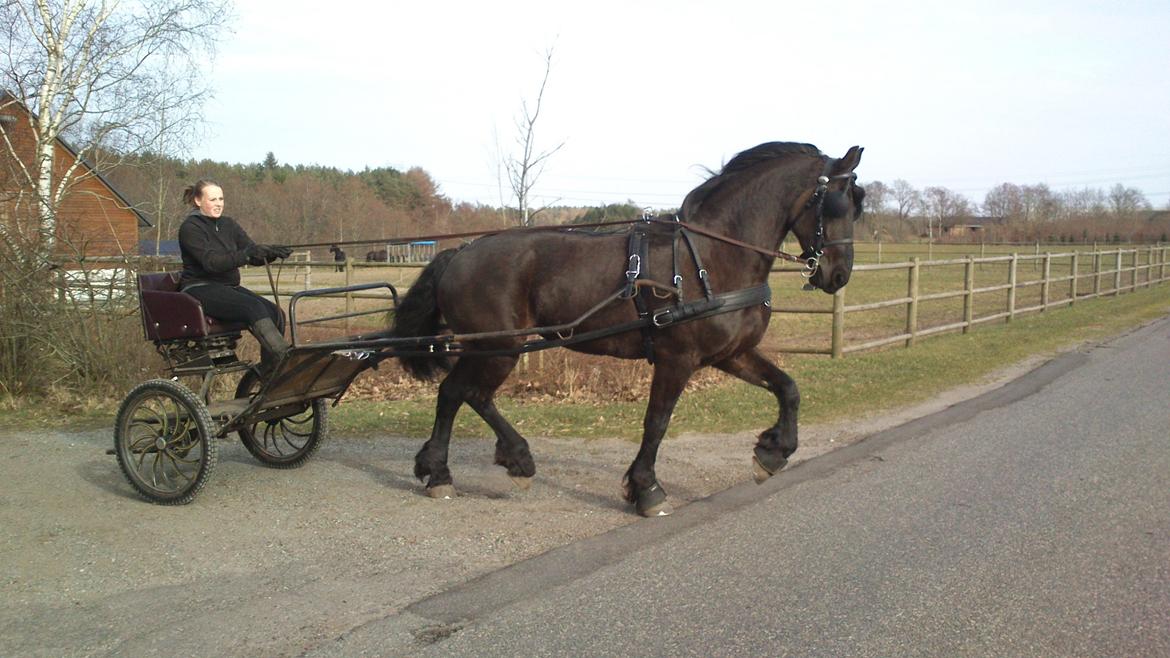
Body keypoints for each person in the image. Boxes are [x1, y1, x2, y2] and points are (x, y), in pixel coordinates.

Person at [177, 179, 293, 375]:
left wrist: (269, 252)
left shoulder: (229, 224)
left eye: (221, 198)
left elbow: (251, 252)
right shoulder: (190, 228)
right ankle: (285, 360)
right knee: (252, 307)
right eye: (213, 199)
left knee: (276, 314)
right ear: (198, 201)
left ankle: (270, 372)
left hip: (228, 288)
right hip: (199, 288)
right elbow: (212, 263)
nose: (219, 203)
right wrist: (248, 254)